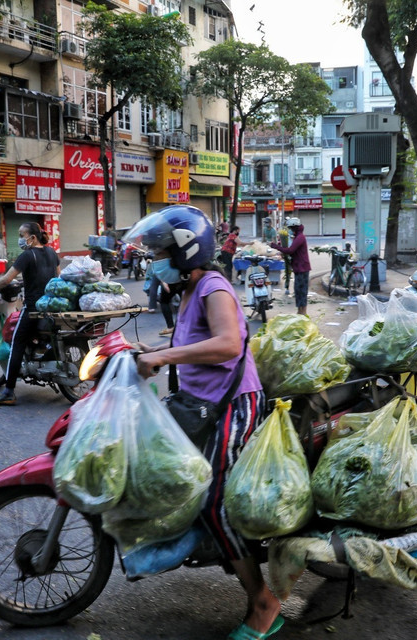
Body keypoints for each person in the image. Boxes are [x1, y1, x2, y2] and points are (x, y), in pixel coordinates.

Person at [127, 206, 283, 640]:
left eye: (161, 252)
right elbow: (190, 345)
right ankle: (214, 544)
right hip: (201, 404)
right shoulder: (187, 290)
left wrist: (165, 355)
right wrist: (140, 351)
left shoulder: (213, 286)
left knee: (214, 502)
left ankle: (264, 603)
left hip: (233, 405)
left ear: (186, 253)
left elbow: (229, 344)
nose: (154, 260)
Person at [0, 222, 59, 406]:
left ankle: (9, 391)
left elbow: (7, 279)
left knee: (17, 342)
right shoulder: (52, 252)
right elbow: (58, 278)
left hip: (33, 308)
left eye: (21, 235)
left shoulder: (27, 255)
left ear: (32, 238)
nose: (19, 239)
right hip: (52, 306)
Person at [271, 218, 310, 315]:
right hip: (299, 267)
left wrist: (275, 246)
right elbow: (293, 251)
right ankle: (300, 312)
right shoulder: (297, 236)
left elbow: (291, 250)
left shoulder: (300, 237)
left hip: (302, 268)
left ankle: (303, 312)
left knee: (302, 292)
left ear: (295, 227)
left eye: (291, 228)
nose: (290, 230)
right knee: (298, 291)